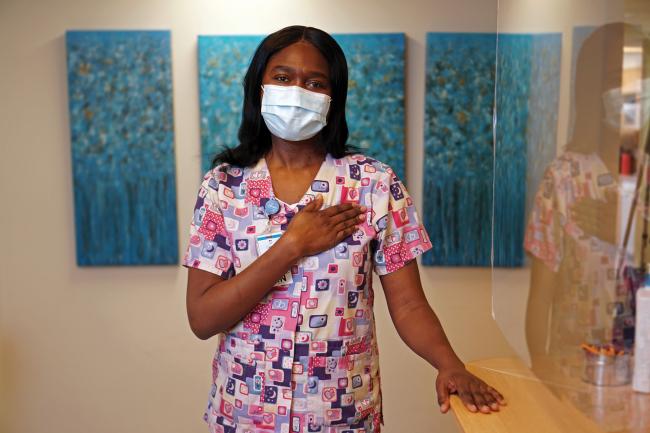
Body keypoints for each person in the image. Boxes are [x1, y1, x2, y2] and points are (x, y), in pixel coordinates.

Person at [182, 25, 506, 433]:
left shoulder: (374, 185)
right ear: (258, 86)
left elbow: (408, 306)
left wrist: (450, 365)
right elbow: (202, 317)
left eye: (314, 82)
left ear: (333, 98)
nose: (297, 90)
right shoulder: (222, 188)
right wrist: (292, 245)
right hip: (244, 415)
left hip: (342, 417)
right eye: (282, 77)